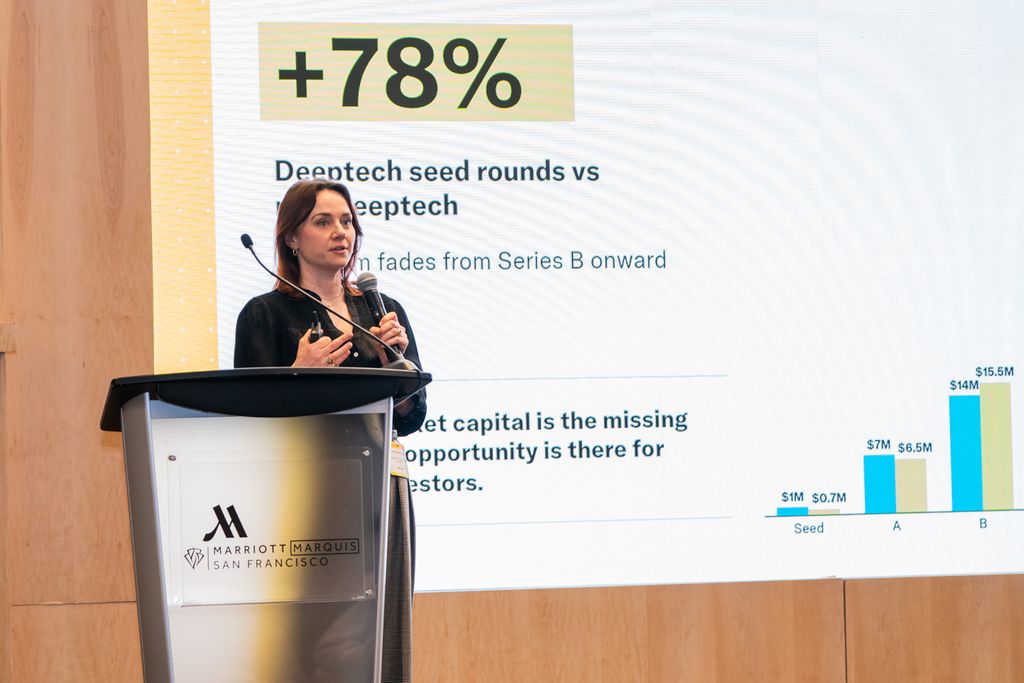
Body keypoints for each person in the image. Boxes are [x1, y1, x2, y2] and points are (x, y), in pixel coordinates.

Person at [234, 178, 424, 682]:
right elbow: (248, 419)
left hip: (382, 482)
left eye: (347, 221)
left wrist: (393, 365)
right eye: (323, 221)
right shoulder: (265, 314)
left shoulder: (380, 309)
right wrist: (298, 374)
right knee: (319, 635)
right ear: (291, 238)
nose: (341, 232)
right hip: (307, 492)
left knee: (382, 631)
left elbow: (412, 415)